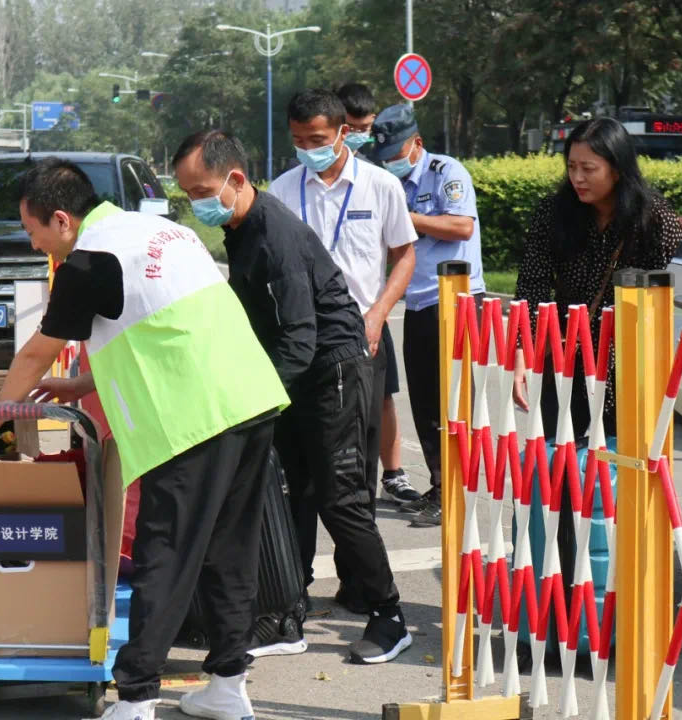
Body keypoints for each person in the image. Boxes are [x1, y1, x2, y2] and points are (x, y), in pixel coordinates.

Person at [0, 158, 289, 720]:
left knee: (164, 553)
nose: (35, 247)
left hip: (192, 418)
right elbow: (156, 328)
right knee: (229, 551)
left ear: (61, 219)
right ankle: (228, 684)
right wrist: (78, 384)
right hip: (249, 401)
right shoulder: (159, 229)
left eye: (34, 233)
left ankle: (137, 697)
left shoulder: (89, 260)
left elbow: (34, 351)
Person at [174, 129, 413, 666]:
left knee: (340, 498)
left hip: (333, 368)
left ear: (235, 179)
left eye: (200, 191)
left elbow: (301, 337)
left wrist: (252, 398)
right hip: (298, 372)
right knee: (293, 494)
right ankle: (286, 612)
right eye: (187, 194)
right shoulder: (240, 226)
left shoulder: (273, 232)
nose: (196, 203)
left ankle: (389, 614)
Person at [268, 89, 417, 614]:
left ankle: (360, 586)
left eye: (317, 140)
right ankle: (293, 586)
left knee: (352, 473)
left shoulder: (380, 186)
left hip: (360, 338)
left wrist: (377, 313)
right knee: (298, 472)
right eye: (297, 141)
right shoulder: (283, 191)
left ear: (341, 133)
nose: (307, 148)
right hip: (300, 343)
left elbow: (404, 255)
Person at [513, 117, 682, 438]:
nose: (578, 178)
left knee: (622, 476)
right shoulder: (552, 213)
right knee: (563, 470)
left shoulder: (654, 218)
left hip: (631, 371)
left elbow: (671, 299)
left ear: (617, 169)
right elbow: (532, 285)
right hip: (567, 365)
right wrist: (522, 349)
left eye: (589, 169)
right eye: (572, 166)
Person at [369, 104, 486, 526]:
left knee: (455, 402)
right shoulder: (387, 182)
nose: (392, 163)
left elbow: (461, 227)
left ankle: (460, 491)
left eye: (397, 153)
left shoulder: (445, 171)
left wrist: (407, 218)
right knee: (424, 403)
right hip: (417, 303)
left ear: (416, 143)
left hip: (455, 300)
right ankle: (440, 487)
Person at [336, 83, 418, 510]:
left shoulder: (378, 176)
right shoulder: (309, 177)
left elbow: (403, 251)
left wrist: (380, 310)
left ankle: (393, 472)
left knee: (381, 397)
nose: (360, 136)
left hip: (371, 312)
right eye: (352, 128)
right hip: (322, 317)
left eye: (365, 128)